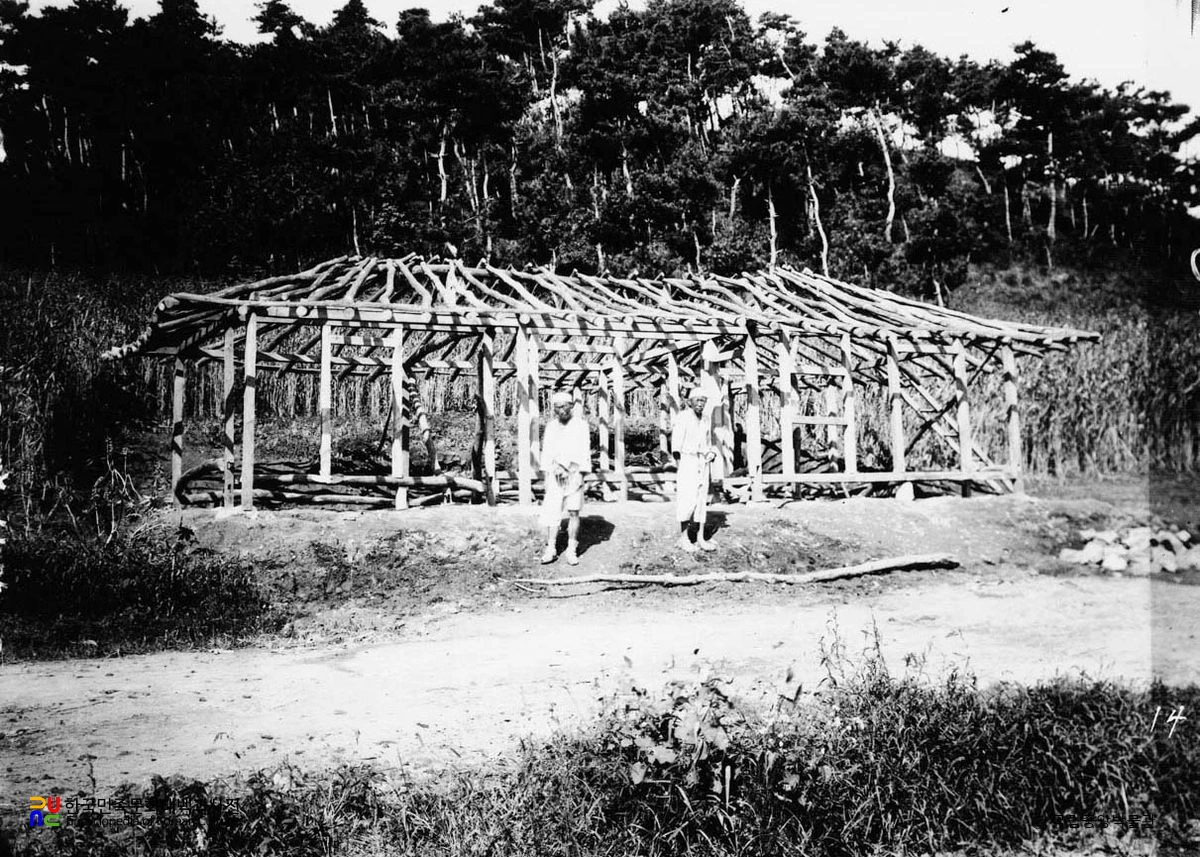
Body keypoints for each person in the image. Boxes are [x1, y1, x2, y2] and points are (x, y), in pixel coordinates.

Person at [540, 390, 590, 565]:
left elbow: (583, 451)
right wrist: (550, 470)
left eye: (563, 407)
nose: (560, 410)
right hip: (555, 475)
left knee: (574, 511)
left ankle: (571, 549)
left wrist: (571, 468)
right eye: (556, 407)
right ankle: (551, 548)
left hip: (574, 474)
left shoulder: (581, 426)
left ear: (571, 406)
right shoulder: (551, 427)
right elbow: (547, 451)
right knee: (552, 510)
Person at [672, 387, 717, 552]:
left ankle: (700, 537)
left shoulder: (705, 420)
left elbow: (707, 443)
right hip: (687, 461)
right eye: (697, 400)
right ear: (690, 402)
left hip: (702, 462)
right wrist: (681, 468)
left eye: (703, 401)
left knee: (701, 500)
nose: (700, 404)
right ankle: (684, 538)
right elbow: (676, 446)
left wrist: (710, 453)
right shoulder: (683, 418)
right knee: (687, 500)